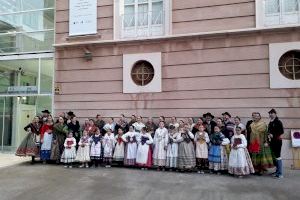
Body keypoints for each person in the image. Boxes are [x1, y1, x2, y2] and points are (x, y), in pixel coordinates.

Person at [268, 109, 284, 179]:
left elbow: (281, 131)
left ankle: (280, 174)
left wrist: (273, 135)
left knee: (278, 157)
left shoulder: (278, 122)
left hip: (277, 142)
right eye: (270, 113)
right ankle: (277, 172)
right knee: (275, 157)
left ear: (275, 114)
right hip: (272, 142)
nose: (271, 114)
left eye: (272, 113)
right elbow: (269, 131)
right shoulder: (271, 122)